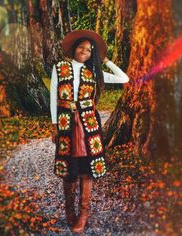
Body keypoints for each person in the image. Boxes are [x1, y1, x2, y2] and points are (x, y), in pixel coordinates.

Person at [50, 30, 129, 234]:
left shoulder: (94, 73)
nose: (84, 52)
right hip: (67, 123)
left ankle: (83, 213)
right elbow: (53, 98)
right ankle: (69, 211)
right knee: (69, 167)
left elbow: (124, 78)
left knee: (87, 168)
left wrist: (106, 60)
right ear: (74, 47)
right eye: (81, 47)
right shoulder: (59, 68)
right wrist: (54, 125)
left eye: (89, 50)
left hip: (88, 125)